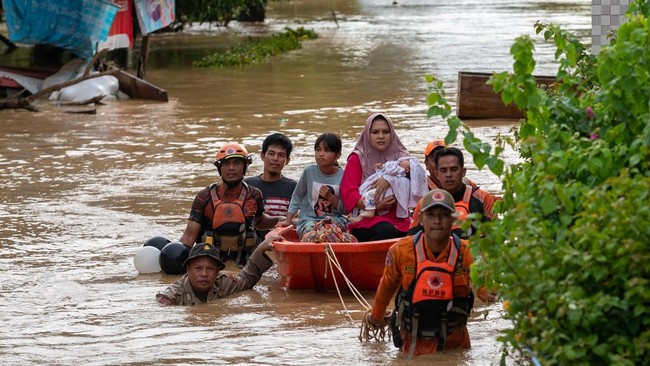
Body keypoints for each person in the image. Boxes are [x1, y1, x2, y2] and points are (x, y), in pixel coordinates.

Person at [364, 189, 488, 358]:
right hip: (414, 343)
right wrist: (375, 318)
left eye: (444, 215)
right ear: (421, 219)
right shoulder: (400, 251)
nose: (437, 221)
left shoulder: (468, 252)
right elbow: (386, 288)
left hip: (456, 344)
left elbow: (485, 288)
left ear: (454, 220)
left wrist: (495, 291)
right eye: (431, 214)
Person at [179, 142, 284, 267]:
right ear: (220, 168)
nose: (231, 168)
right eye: (226, 164)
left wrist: (278, 219)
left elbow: (259, 222)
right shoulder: (204, 197)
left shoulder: (254, 195)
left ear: (245, 166)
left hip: (245, 264)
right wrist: (178, 258)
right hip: (212, 264)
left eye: (237, 163)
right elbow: (189, 237)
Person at [341, 113, 420, 242]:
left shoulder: (403, 157)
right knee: (385, 230)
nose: (381, 136)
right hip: (368, 219)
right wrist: (376, 207)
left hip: (400, 218)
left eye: (386, 132)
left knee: (419, 231)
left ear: (392, 134)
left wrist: (389, 181)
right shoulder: (357, 158)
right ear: (367, 134)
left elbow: (416, 186)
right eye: (375, 132)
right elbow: (349, 194)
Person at [156, 236, 281, 306]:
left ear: (217, 272)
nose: (204, 274)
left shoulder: (223, 283)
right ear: (188, 269)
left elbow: (247, 280)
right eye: (198, 268)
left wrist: (260, 249)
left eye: (210, 269)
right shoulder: (173, 296)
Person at [409, 147, 497, 238]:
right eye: (443, 170)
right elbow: (411, 241)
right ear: (436, 174)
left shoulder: (482, 198)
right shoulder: (424, 203)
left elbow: (495, 237)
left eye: (454, 169)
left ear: (463, 172)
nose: (448, 175)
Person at [278, 133, 348, 240]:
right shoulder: (309, 171)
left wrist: (331, 198)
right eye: (318, 150)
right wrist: (288, 220)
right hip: (309, 220)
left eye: (326, 150)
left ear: (337, 155)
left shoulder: (343, 176)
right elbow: (297, 196)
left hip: (334, 219)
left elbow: (346, 209)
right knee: (313, 233)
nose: (321, 154)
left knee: (331, 231)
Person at [244, 133, 297, 239]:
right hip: (253, 242)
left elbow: (297, 218)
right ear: (263, 156)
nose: (275, 159)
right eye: (271, 153)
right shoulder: (247, 186)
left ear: (287, 161)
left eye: (281, 155)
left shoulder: (294, 187)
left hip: (281, 242)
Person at [350, 157, 427, 223]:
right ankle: (360, 217)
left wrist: (387, 175)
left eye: (405, 161)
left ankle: (371, 210)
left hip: (383, 194)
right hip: (380, 192)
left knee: (368, 196)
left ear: (407, 169)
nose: (400, 161)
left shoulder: (400, 171)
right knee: (366, 198)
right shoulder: (356, 158)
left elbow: (391, 170)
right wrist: (382, 166)